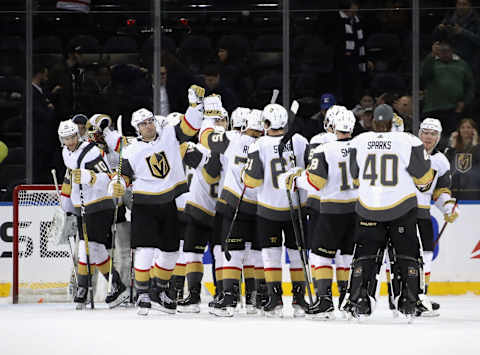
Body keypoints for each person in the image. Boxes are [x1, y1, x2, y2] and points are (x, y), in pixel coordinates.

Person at [113, 85, 206, 316]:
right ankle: (143, 293)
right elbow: (124, 176)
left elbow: (190, 125)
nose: (148, 125)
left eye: (150, 121)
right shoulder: (130, 150)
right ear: (137, 128)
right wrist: (118, 185)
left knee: (171, 252)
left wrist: (196, 105)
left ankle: (159, 290)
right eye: (143, 123)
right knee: (145, 250)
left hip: (167, 203)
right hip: (144, 204)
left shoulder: (169, 135)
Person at [343, 104, 434, 319]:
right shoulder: (408, 141)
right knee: (407, 254)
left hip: (368, 208)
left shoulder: (358, 141)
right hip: (401, 207)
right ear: (394, 122)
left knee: (364, 255)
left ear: (373, 121)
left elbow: (354, 178)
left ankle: (358, 298)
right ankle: (410, 298)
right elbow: (423, 180)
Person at [278, 109, 358, 320]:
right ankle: (348, 300)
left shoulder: (324, 147)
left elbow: (316, 181)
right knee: (347, 256)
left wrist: (296, 179)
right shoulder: (360, 147)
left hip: (330, 209)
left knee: (320, 255)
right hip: (356, 210)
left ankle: (324, 301)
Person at [243, 103, 310, 317]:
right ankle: (301, 300)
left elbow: (252, 181)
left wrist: (245, 172)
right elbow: (311, 171)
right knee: (298, 255)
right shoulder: (300, 141)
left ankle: (275, 300)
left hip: (268, 209)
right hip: (296, 207)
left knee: (271, 256)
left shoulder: (258, 144)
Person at [57, 120, 128, 309]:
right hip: (83, 206)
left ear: (77, 135)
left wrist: (91, 177)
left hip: (100, 204)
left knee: (85, 246)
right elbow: (70, 178)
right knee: (94, 249)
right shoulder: (66, 153)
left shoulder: (92, 151)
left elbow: (108, 176)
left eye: (72, 137)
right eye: (66, 138)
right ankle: (116, 285)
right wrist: (67, 205)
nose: (70, 141)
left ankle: (83, 287)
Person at [206, 109, 265, 317]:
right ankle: (257, 296)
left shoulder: (232, 138)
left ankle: (229, 297)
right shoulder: (266, 145)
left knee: (232, 249)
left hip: (234, 201)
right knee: (256, 252)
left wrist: (210, 117)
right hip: (259, 204)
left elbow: (208, 138)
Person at [415, 118, 459, 317]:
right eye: (425, 132)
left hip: (423, 212)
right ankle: (399, 295)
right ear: (419, 133)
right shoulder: (408, 154)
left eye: (433, 134)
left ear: (439, 137)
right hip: (399, 211)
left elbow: (440, 191)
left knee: (426, 256)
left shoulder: (441, 161)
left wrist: (447, 207)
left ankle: (421, 296)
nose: (428, 137)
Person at [421, 38, 475, 135]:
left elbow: (470, 86)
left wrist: (464, 102)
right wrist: (432, 55)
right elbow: (423, 76)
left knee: (452, 137)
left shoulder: (462, 64)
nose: (444, 53)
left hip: (454, 109)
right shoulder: (431, 62)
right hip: (433, 108)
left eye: (447, 51)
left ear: (452, 50)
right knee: (431, 136)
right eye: (441, 51)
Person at [329, 0, 367, 108]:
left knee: (354, 85)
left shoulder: (356, 21)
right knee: (342, 86)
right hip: (339, 62)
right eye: (354, 5)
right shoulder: (335, 20)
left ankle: (353, 104)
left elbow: (361, 42)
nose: (357, 8)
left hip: (354, 60)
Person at [436, 0, 480, 67]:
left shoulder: (477, 21)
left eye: (464, 4)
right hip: (450, 58)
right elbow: (436, 37)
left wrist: (462, 32)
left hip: (470, 60)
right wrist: (439, 29)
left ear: (470, 6)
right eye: (459, 4)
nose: (461, 7)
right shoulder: (450, 17)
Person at [445, 118, 480, 199]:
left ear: (474, 130)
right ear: (459, 130)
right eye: (463, 127)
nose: (465, 130)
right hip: (455, 188)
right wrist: (452, 145)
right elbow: (445, 163)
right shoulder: (453, 148)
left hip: (473, 188)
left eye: (469, 127)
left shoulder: (477, 147)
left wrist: (475, 143)